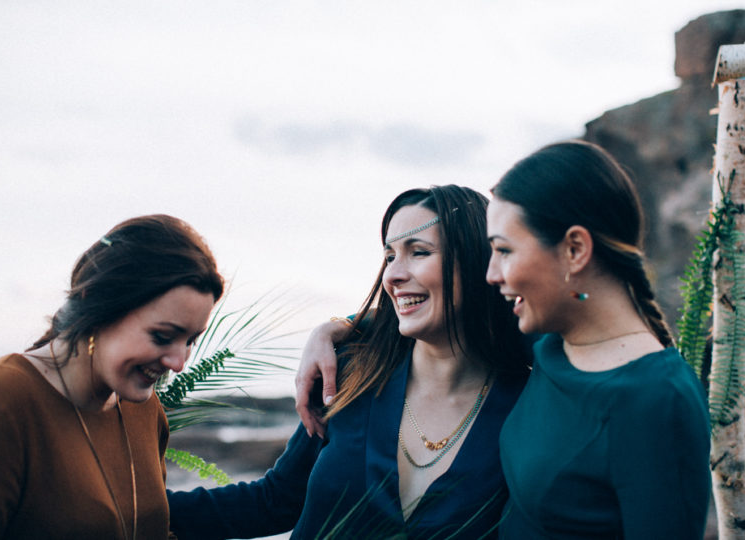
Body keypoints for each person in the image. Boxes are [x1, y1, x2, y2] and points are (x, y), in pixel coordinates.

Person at [168, 185, 530, 539]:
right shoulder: (349, 373)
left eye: (418, 252)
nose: (393, 275)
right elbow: (274, 501)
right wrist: (131, 513)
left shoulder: (530, 407)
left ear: (475, 261)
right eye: (389, 257)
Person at [485, 140, 711, 539]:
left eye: (504, 250)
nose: (492, 274)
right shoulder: (549, 344)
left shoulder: (658, 399)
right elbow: (442, 314)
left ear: (575, 249)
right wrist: (343, 328)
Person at [0, 214, 224, 540]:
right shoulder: (2, 400)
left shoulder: (144, 408)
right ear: (96, 306)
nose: (178, 362)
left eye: (190, 340)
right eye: (162, 336)